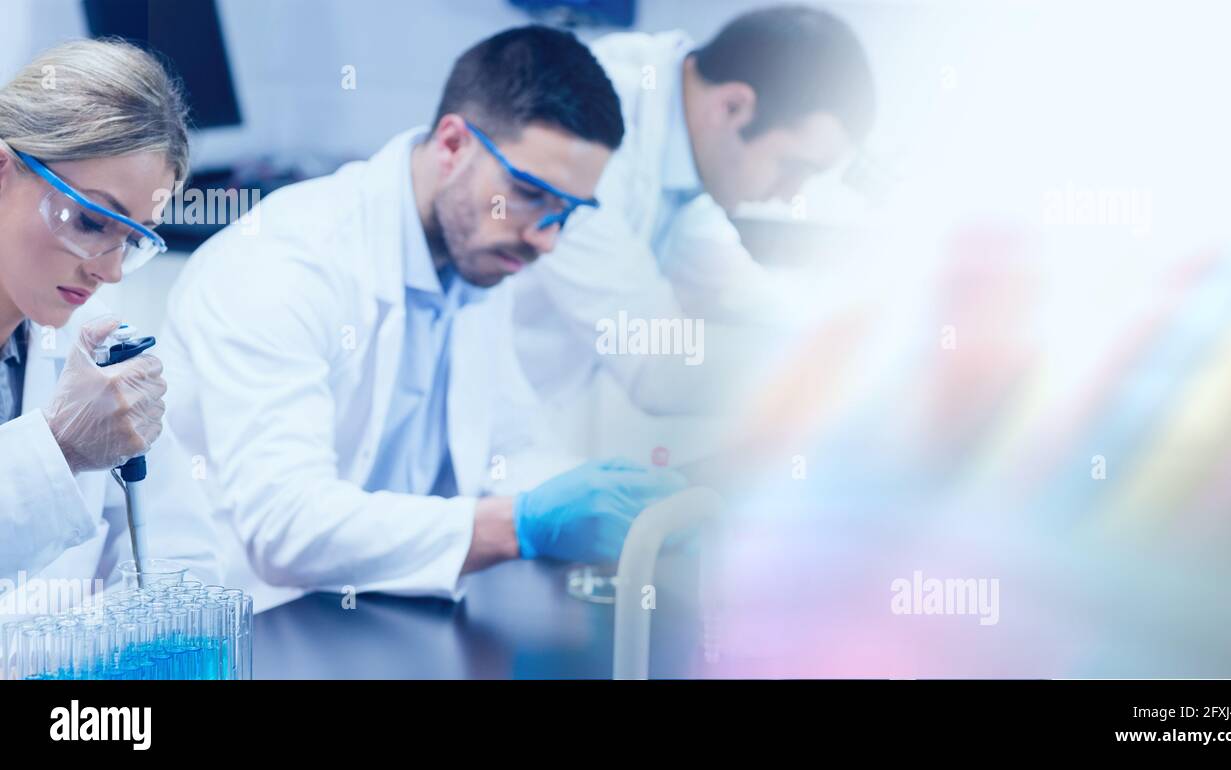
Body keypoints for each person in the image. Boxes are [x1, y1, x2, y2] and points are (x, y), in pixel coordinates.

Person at [162, 26, 686, 611]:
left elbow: (506, 449)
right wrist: (517, 524)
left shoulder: (479, 257)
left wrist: (622, 503)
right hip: (246, 624)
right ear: (454, 144)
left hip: (372, 609)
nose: (547, 240)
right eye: (530, 193)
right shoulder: (283, 266)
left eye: (568, 211)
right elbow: (286, 527)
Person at [511, 5, 873, 415]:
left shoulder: (684, 132)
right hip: (469, 425)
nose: (791, 196)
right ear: (733, 107)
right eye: (792, 168)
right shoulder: (584, 129)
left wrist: (846, 335)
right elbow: (658, 366)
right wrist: (824, 386)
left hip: (526, 420)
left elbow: (729, 287)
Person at [0, 39, 222, 598]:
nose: (112, 272)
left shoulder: (92, 344)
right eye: (92, 224)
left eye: (133, 239)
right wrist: (59, 447)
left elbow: (180, 563)